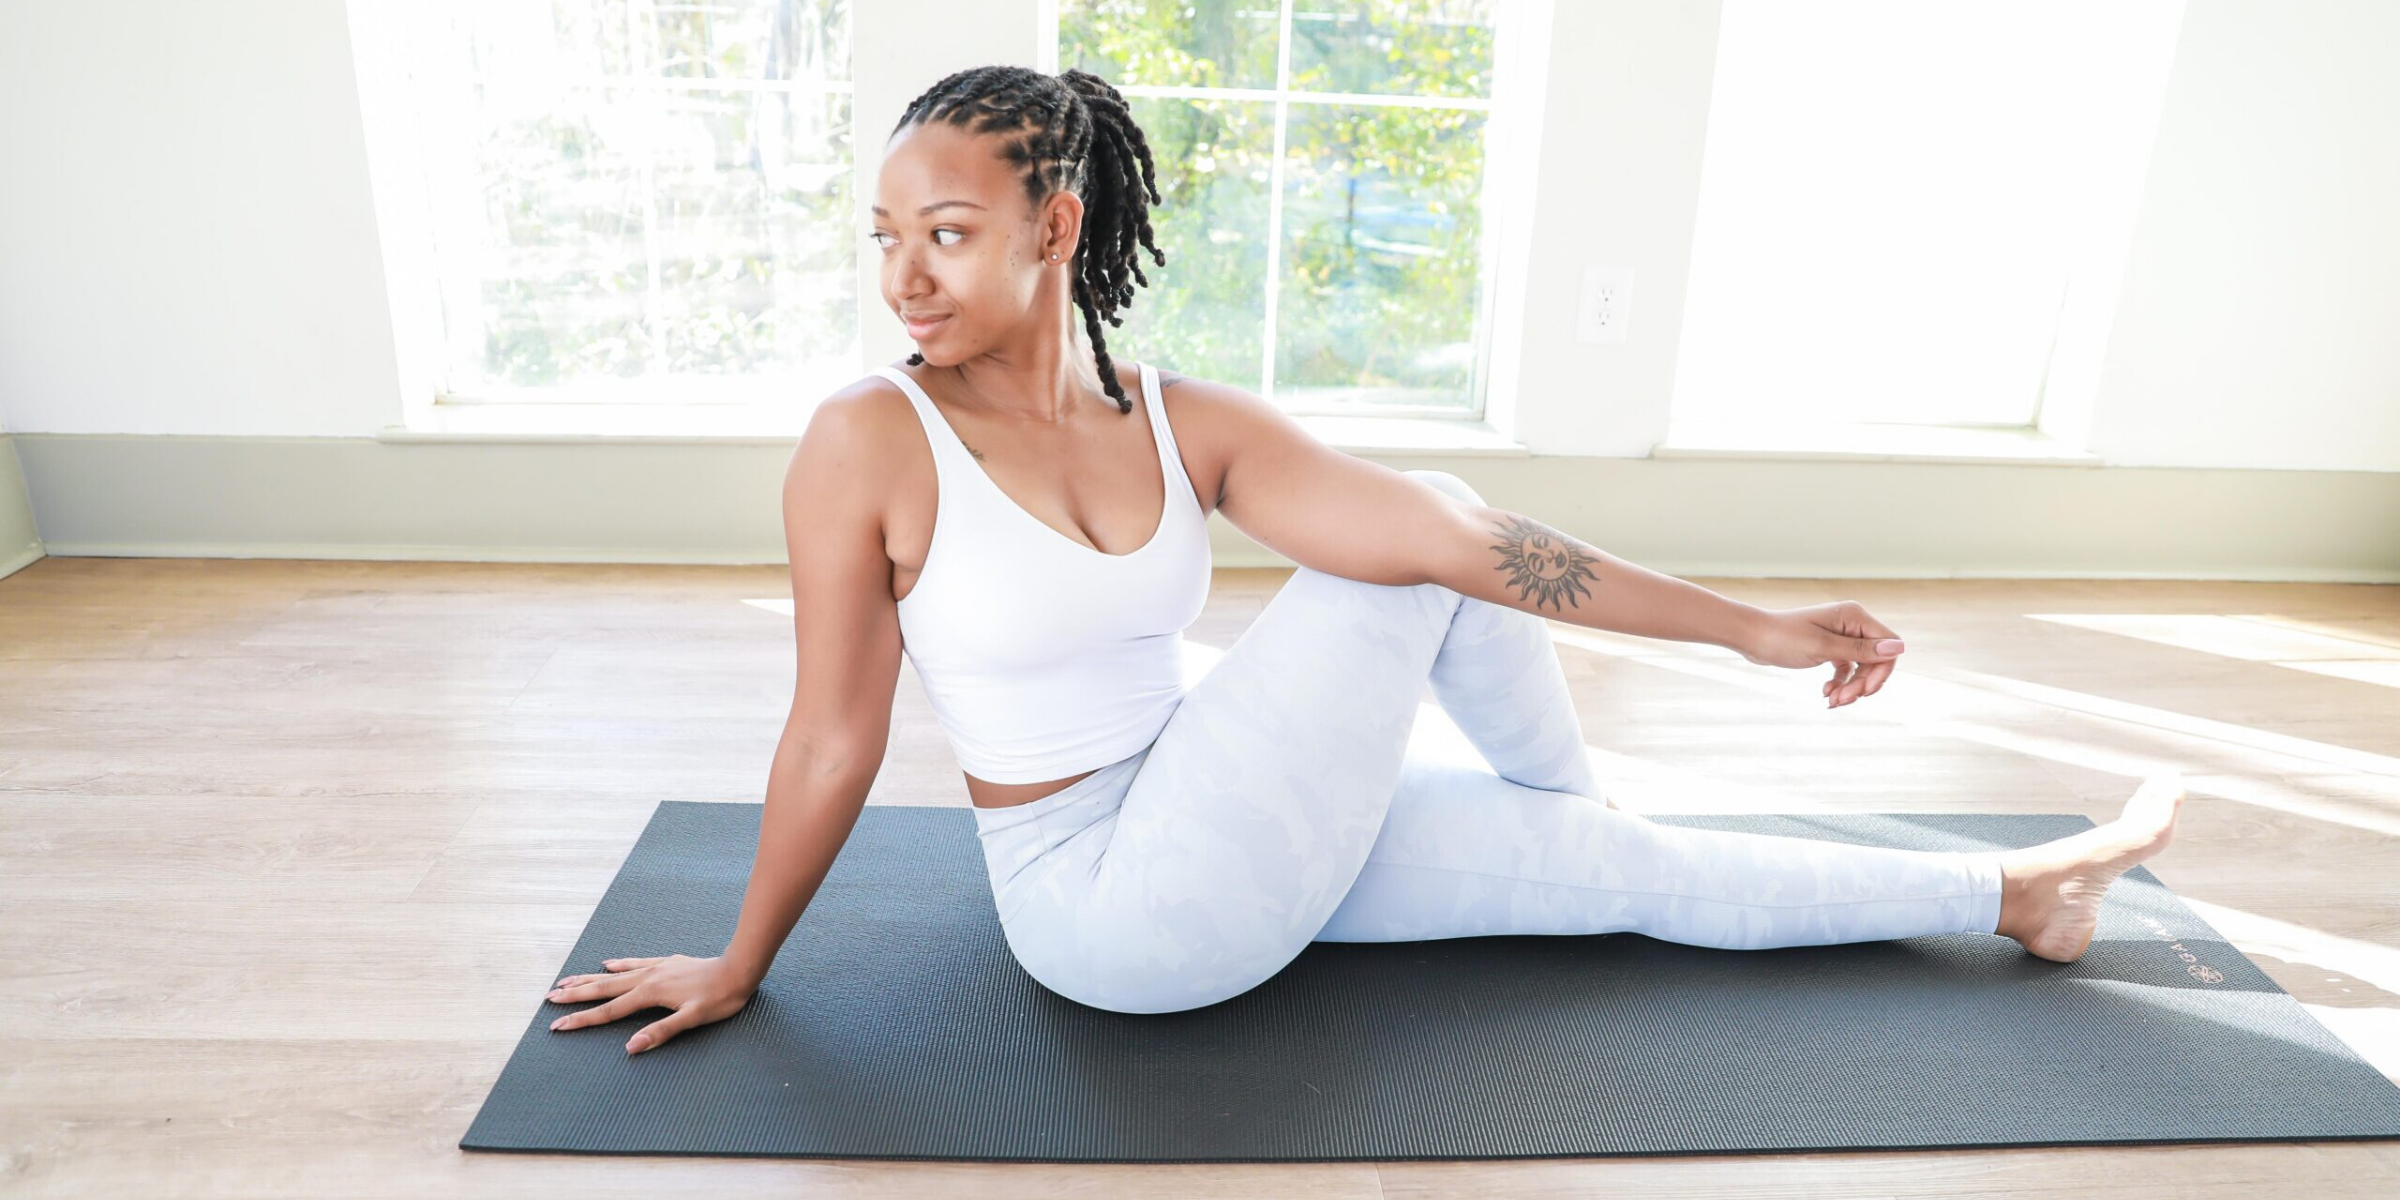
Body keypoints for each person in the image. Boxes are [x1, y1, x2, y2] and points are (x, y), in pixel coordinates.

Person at [546, 65, 2185, 1050]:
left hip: (1229, 813)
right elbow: (835, 727)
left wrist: (1754, 630)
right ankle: (1573, 806)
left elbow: (1475, 549)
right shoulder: (867, 439)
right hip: (1110, 909)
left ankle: (2018, 894)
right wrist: (742, 962)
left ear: (1055, 227)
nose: (905, 275)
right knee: (1411, 540)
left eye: (949, 232)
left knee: (1631, 874)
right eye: (887, 236)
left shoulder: (1180, 415)